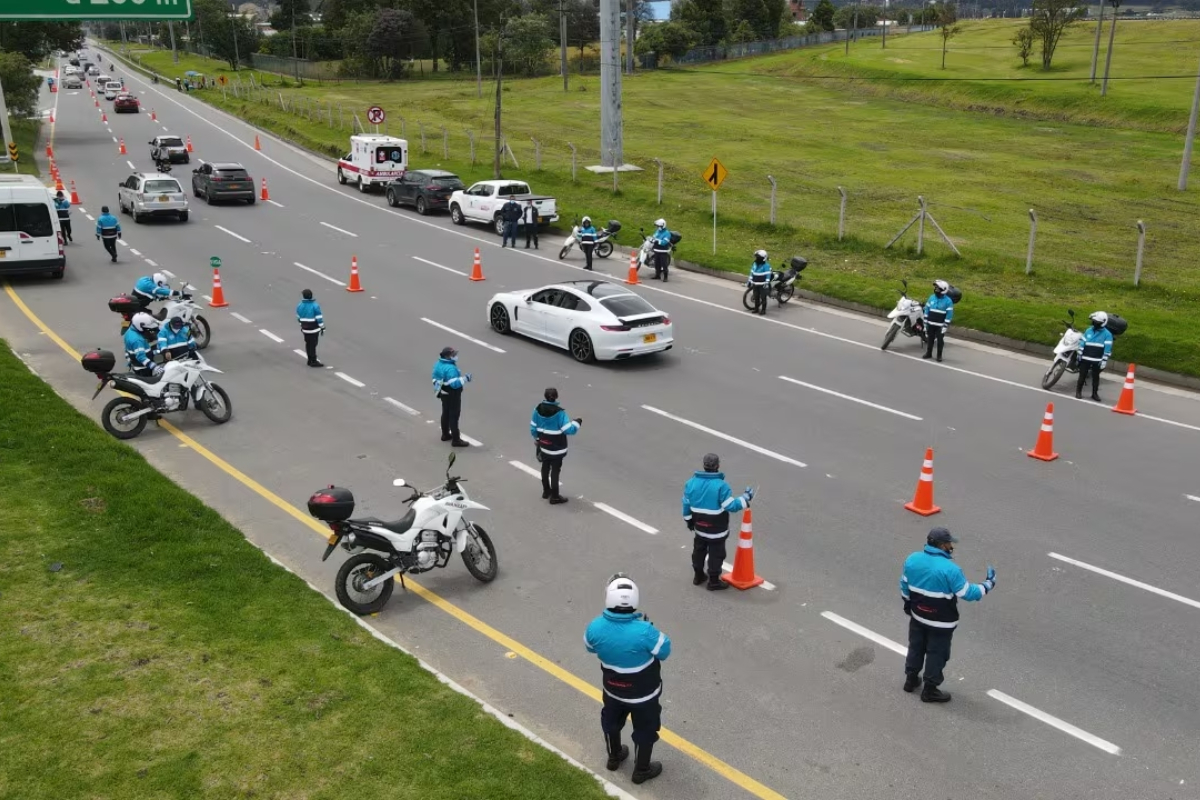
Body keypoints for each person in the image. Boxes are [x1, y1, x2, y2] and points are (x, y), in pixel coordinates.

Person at [584, 573, 670, 785]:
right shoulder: (644, 631)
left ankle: (614, 757)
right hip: (644, 696)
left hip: (612, 691)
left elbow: (590, 647)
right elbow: (665, 651)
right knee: (645, 730)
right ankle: (641, 770)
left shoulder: (594, 628)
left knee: (611, 722)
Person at [899, 527, 995, 703]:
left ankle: (910, 680)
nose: (951, 546)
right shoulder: (951, 569)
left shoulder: (912, 559)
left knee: (916, 647)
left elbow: (904, 585)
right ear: (943, 545)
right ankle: (929, 690)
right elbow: (968, 593)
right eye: (949, 543)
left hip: (917, 616)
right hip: (941, 622)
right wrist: (988, 584)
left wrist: (908, 605)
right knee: (936, 653)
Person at [682, 453, 754, 591]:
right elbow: (731, 506)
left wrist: (689, 521)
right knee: (716, 554)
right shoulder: (721, 486)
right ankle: (713, 582)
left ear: (703, 465)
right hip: (717, 529)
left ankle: (698, 576)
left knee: (698, 551)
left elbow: (685, 504)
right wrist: (745, 498)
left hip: (699, 528)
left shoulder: (690, 483)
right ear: (717, 466)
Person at [531, 387, 581, 505]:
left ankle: (546, 491)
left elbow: (533, 427)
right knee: (555, 471)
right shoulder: (559, 413)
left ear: (545, 396)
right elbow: (568, 430)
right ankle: (555, 496)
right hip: (557, 448)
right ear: (556, 397)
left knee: (545, 467)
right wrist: (577, 423)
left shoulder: (537, 409)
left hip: (544, 445)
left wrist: (538, 439)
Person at [431, 346, 471, 447]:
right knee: (454, 416)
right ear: (448, 356)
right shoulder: (450, 369)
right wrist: (465, 378)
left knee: (445, 413)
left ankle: (445, 434)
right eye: (454, 355)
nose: (456, 356)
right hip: (453, 394)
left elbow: (434, 378)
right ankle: (456, 440)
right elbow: (455, 384)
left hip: (443, 392)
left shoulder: (438, 364)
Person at [1076, 311, 1114, 402]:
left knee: (1095, 377)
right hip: (1085, 358)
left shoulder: (1107, 334)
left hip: (1097, 359)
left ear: (1103, 322)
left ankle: (1094, 394)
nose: (1095, 323)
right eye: (1094, 321)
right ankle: (1078, 392)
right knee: (1082, 375)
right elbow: (1082, 342)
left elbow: (1107, 349)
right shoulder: (1088, 330)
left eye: (1097, 322)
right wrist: (1079, 353)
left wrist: (1104, 360)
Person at [923, 280, 954, 362]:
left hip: (940, 325)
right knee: (930, 339)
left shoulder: (948, 301)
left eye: (938, 288)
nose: (936, 290)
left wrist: (945, 325)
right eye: (935, 288)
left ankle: (939, 355)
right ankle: (928, 353)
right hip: (930, 323)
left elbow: (949, 314)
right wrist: (925, 322)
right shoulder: (931, 297)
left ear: (944, 290)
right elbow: (927, 309)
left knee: (940, 340)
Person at [124, 312, 162, 378]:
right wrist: (154, 367)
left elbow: (129, 350)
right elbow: (141, 357)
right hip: (143, 369)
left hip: (136, 365)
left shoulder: (129, 331)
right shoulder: (137, 340)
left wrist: (156, 352)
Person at [295, 289, 326, 367]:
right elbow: (319, 318)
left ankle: (309, 359)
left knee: (308, 344)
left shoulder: (299, 305)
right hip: (314, 329)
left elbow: (298, 317)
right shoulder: (315, 305)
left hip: (305, 329)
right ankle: (313, 361)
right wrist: (322, 327)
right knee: (313, 344)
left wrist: (301, 325)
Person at [747, 249, 772, 316]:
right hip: (755, 284)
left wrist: (767, 283)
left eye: (758, 258)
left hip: (762, 285)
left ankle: (763, 310)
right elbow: (752, 273)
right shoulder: (755, 264)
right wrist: (749, 281)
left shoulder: (766, 266)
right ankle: (756, 308)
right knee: (756, 296)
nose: (757, 259)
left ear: (763, 258)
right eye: (756, 257)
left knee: (763, 298)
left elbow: (768, 275)